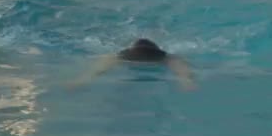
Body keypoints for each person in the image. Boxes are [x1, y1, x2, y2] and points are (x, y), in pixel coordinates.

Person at [68, 38, 196, 91]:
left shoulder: (167, 58)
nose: (143, 60)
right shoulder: (118, 57)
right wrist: (83, 79)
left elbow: (181, 68)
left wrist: (186, 80)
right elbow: (98, 69)